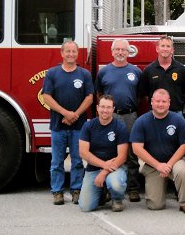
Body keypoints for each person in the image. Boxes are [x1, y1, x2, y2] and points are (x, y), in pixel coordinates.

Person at [42, 40, 94, 205]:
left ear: (78, 54)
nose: (71, 54)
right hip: (58, 125)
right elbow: (46, 96)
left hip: (79, 126)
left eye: (74, 51)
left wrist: (75, 115)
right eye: (68, 51)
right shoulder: (52, 73)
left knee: (78, 160)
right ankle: (57, 191)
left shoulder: (84, 74)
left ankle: (76, 190)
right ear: (62, 53)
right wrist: (65, 113)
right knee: (57, 161)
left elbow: (90, 97)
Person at [130, 89, 185, 214]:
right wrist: (158, 165)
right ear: (152, 102)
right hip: (153, 165)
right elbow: (136, 148)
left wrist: (169, 164)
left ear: (169, 103)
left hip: (174, 161)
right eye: (158, 101)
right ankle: (160, 185)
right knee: (155, 205)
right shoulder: (141, 121)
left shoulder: (178, 120)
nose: (160, 104)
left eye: (164, 101)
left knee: (182, 171)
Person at [95, 38, 143, 202]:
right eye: (118, 50)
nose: (121, 52)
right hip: (110, 116)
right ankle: (106, 189)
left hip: (130, 116)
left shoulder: (136, 72)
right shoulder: (104, 72)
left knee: (131, 152)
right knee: (108, 151)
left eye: (124, 50)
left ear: (128, 52)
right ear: (112, 51)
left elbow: (140, 95)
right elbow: (99, 94)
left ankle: (133, 188)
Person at [78, 95, 129, 212]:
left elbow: (122, 156)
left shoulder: (120, 127)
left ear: (113, 109)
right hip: (93, 169)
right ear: (97, 107)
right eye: (102, 107)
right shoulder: (88, 126)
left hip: (115, 168)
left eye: (108, 107)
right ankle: (102, 193)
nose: (105, 110)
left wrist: (104, 171)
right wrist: (103, 165)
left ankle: (117, 199)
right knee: (85, 207)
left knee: (116, 183)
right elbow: (83, 152)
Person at [139, 36, 185, 113]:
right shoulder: (148, 70)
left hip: (176, 113)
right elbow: (145, 94)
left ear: (172, 50)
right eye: (162, 46)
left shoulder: (181, 69)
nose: (165, 49)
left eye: (168, 46)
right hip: (154, 113)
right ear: (157, 49)